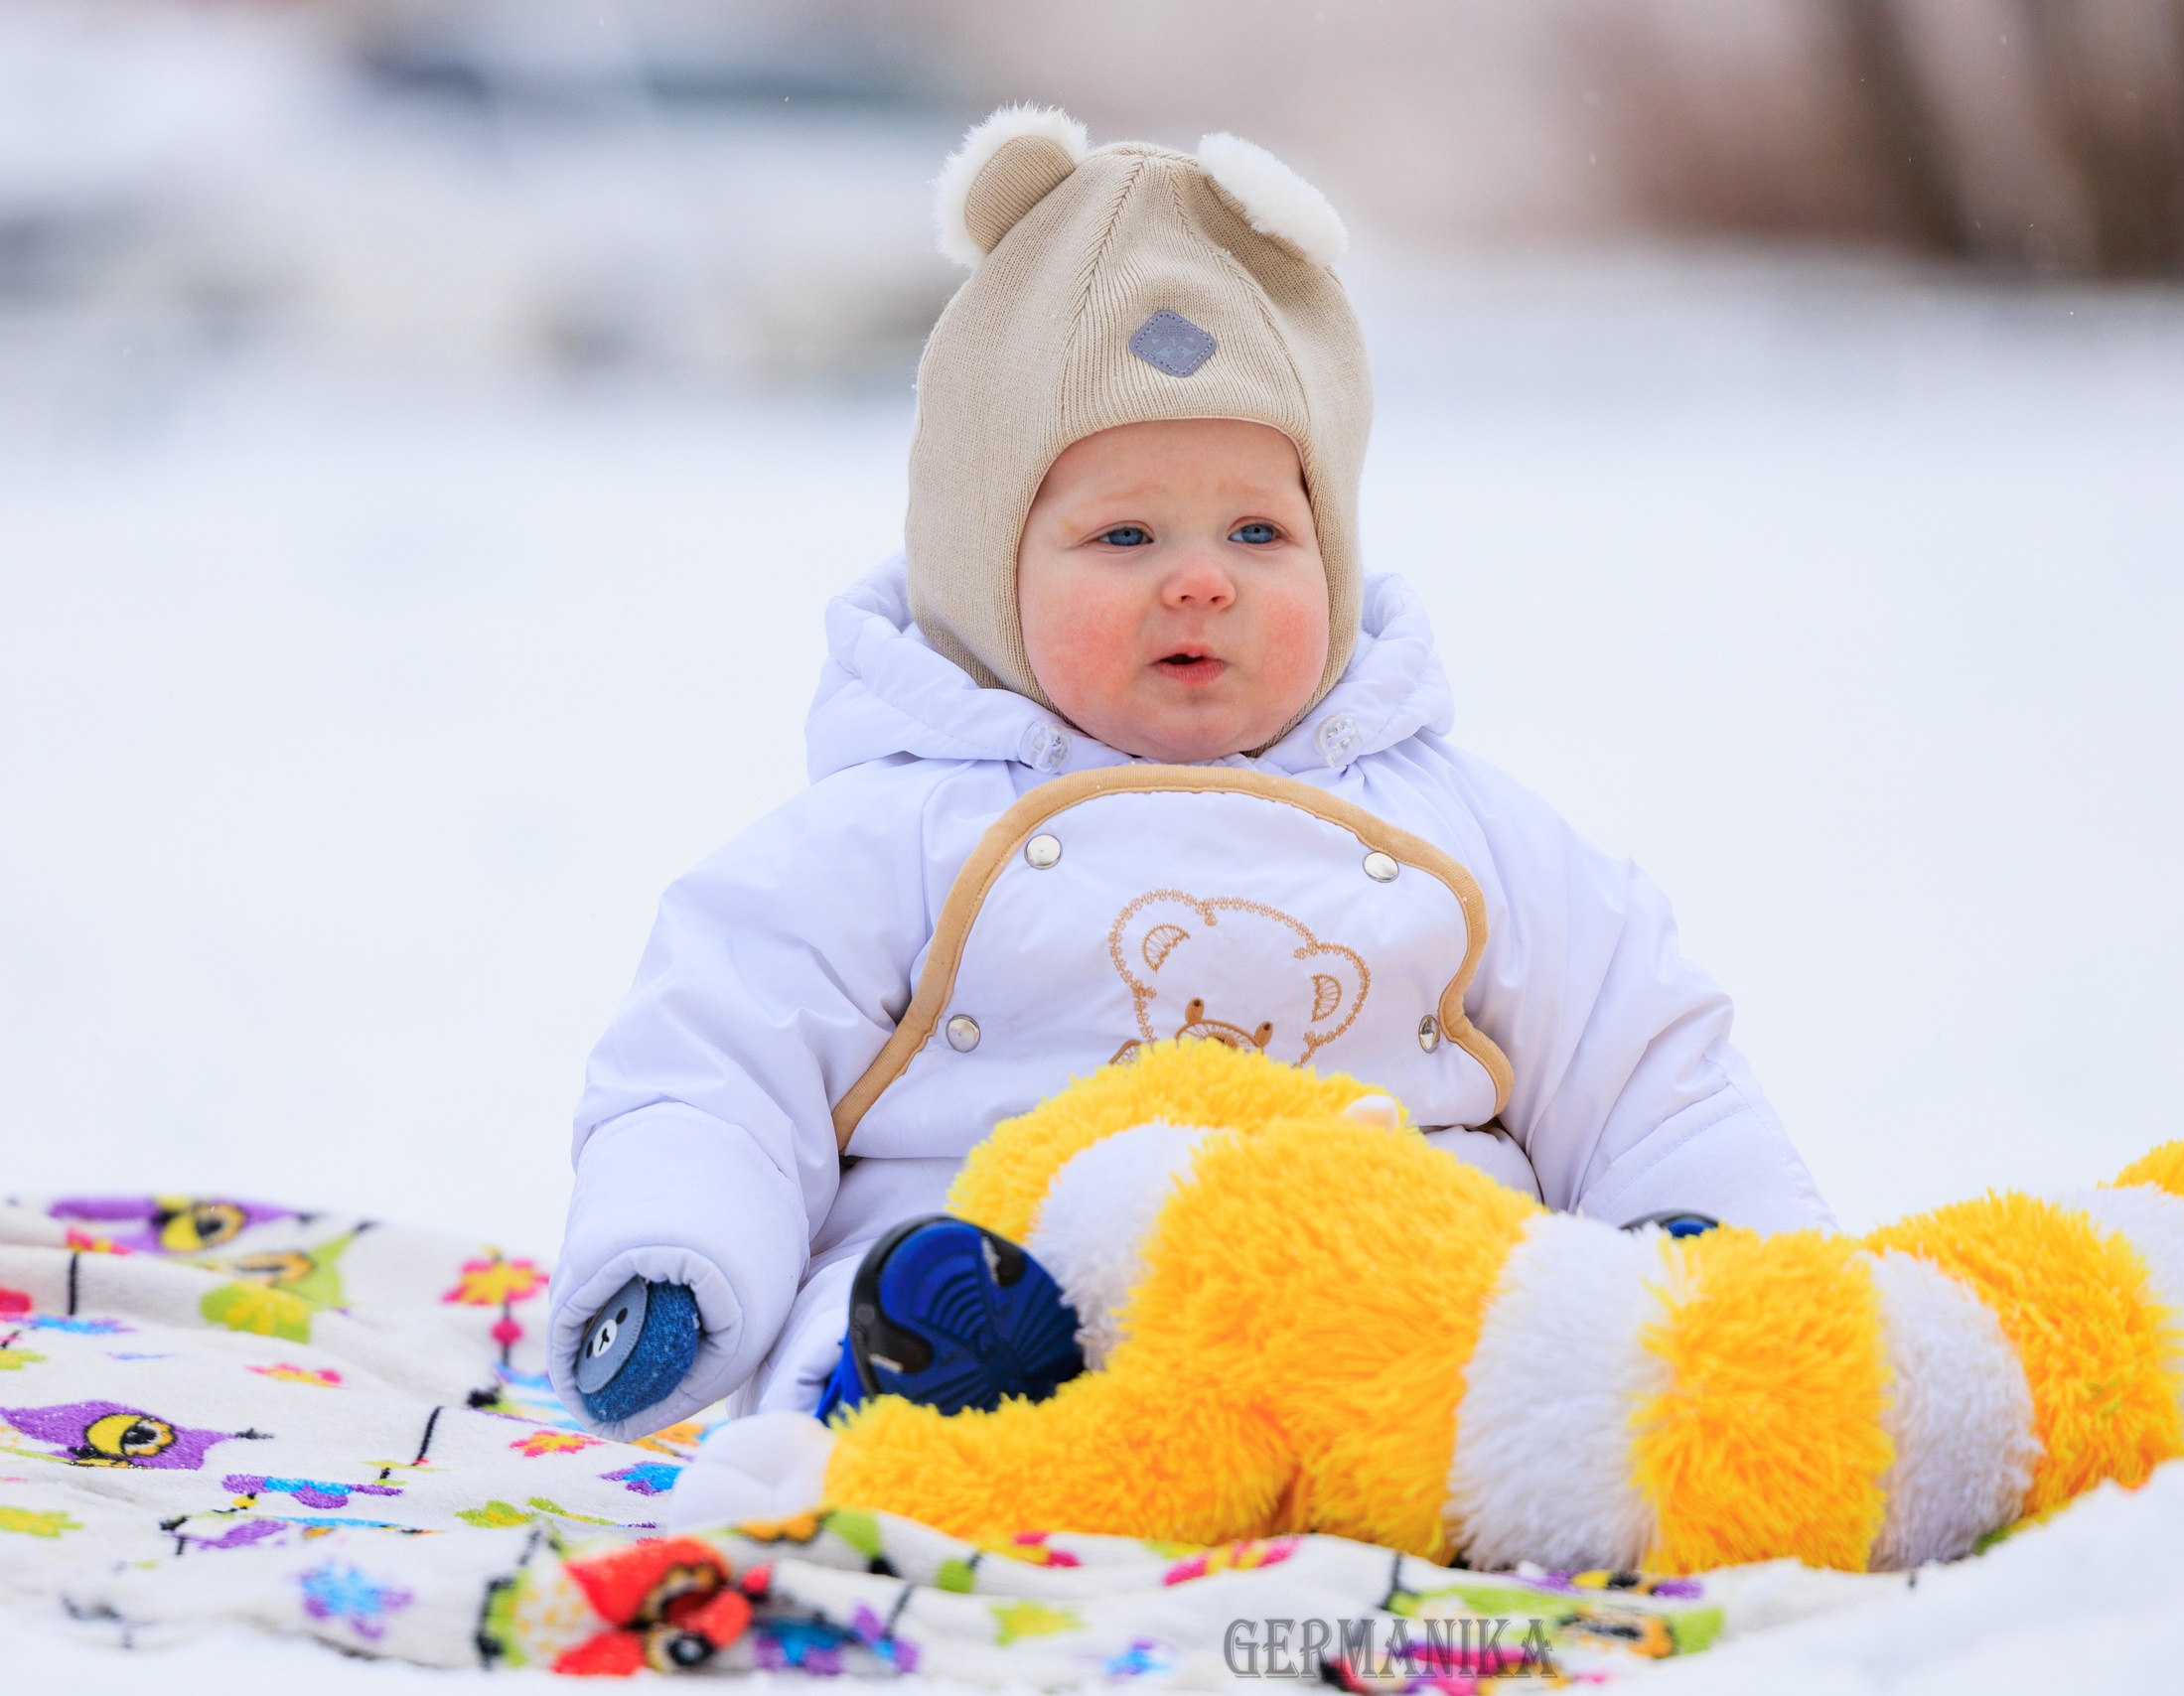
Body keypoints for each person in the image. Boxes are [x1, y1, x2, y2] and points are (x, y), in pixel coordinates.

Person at [550, 108, 1835, 1441]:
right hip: (1007, 1277)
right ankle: (928, 1401)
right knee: (913, 1320)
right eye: (1123, 532)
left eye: (1259, 528)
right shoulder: (898, 828)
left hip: (1384, 1303)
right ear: (984, 573)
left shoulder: (1451, 824)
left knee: (1511, 1332)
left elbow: (1637, 1053)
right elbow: (716, 1058)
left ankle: (1595, 1382)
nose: (1202, 577)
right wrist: (676, 1253)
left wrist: (1732, 1250)